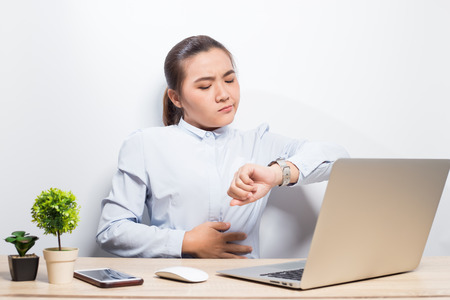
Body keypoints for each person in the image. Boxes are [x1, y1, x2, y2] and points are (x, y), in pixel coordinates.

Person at [96, 35, 349, 259]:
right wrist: (186, 242)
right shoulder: (145, 145)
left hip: (246, 287)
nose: (223, 94)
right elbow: (111, 230)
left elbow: (338, 158)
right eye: (205, 86)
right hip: (172, 288)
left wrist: (275, 174)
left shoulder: (259, 142)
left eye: (229, 80)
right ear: (176, 98)